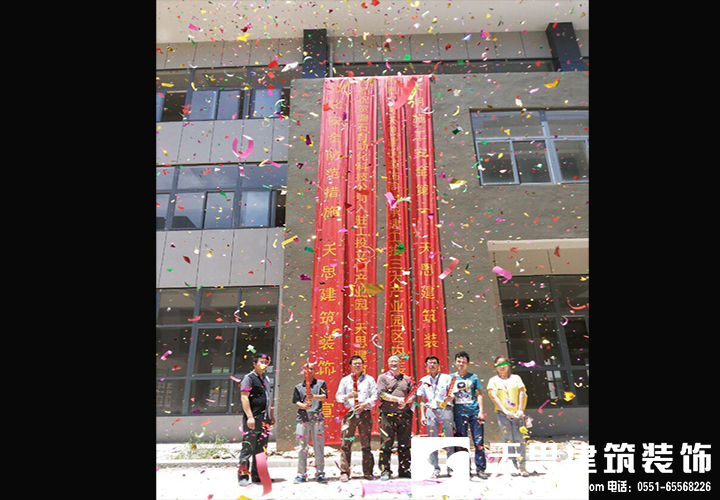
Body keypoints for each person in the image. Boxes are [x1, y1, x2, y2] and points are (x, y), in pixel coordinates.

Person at [335, 355, 378, 482]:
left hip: (365, 414)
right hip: (350, 415)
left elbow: (375, 396)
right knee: (346, 443)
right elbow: (338, 397)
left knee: (366, 444)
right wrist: (348, 396)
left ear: (363, 365)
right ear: (350, 366)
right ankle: (344, 472)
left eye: (360, 363)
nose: (358, 365)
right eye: (355, 364)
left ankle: (368, 472)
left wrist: (365, 404)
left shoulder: (369, 379)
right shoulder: (345, 380)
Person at [486, 355, 530, 477]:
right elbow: (494, 397)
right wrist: (505, 411)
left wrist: (520, 409)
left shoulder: (516, 378)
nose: (502, 367)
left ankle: (522, 466)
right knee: (508, 439)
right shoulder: (493, 380)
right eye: (499, 365)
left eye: (504, 364)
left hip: (517, 414)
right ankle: (513, 465)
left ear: (508, 365)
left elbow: (522, 393)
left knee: (520, 439)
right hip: (503, 414)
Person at [448, 351, 488, 479]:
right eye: (459, 361)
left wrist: (481, 411)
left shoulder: (473, 377)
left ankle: (480, 469)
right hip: (459, 414)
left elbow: (479, 395)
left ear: (468, 363)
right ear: (455, 363)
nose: (461, 364)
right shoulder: (450, 378)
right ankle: (465, 469)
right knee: (462, 442)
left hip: (474, 413)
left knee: (478, 441)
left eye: (464, 362)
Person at [416, 355, 458, 478]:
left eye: (434, 363)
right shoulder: (423, 380)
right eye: (429, 363)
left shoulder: (446, 378)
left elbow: (453, 394)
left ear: (438, 365)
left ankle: (451, 467)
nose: (432, 365)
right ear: (426, 366)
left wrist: (449, 398)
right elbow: (422, 399)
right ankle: (435, 468)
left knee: (449, 438)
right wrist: (422, 415)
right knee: (432, 440)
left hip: (445, 410)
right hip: (430, 411)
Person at [237, 353, 275, 487]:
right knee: (248, 447)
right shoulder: (249, 378)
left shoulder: (266, 379)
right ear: (254, 364)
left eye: (266, 362)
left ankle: (258, 474)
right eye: (261, 362)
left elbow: (269, 399)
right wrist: (250, 417)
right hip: (253, 418)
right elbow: (244, 397)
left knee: (261, 449)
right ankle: (243, 476)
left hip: (265, 420)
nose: (264, 364)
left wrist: (271, 415)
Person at [376, 355, 415, 481]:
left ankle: (404, 469)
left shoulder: (407, 379)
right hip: (387, 415)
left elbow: (413, 394)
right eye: (391, 361)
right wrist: (398, 399)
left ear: (400, 364)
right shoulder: (383, 377)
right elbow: (381, 394)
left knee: (405, 443)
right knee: (386, 443)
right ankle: (385, 470)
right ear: (388, 364)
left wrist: (407, 401)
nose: (394, 363)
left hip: (404, 415)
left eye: (396, 361)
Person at [292, 361, 328, 483]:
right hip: (302, 419)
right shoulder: (298, 387)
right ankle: (301, 474)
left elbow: (324, 397)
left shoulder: (321, 383)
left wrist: (313, 397)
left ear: (314, 370)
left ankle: (320, 473)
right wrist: (304, 406)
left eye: (311, 369)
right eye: (307, 369)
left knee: (319, 446)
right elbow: (296, 402)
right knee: (302, 447)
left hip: (317, 418)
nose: (309, 371)